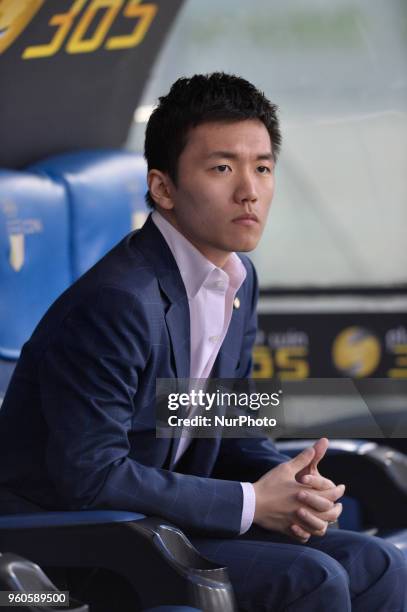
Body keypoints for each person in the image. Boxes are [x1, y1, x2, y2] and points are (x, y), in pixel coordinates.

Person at [0, 72, 405, 611]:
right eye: (222, 168)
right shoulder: (119, 299)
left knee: (379, 565)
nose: (250, 190)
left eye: (262, 167)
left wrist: (293, 487)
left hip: (166, 521)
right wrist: (252, 502)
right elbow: (89, 475)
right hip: (71, 544)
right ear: (163, 188)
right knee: (311, 579)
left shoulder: (239, 277)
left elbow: (233, 428)